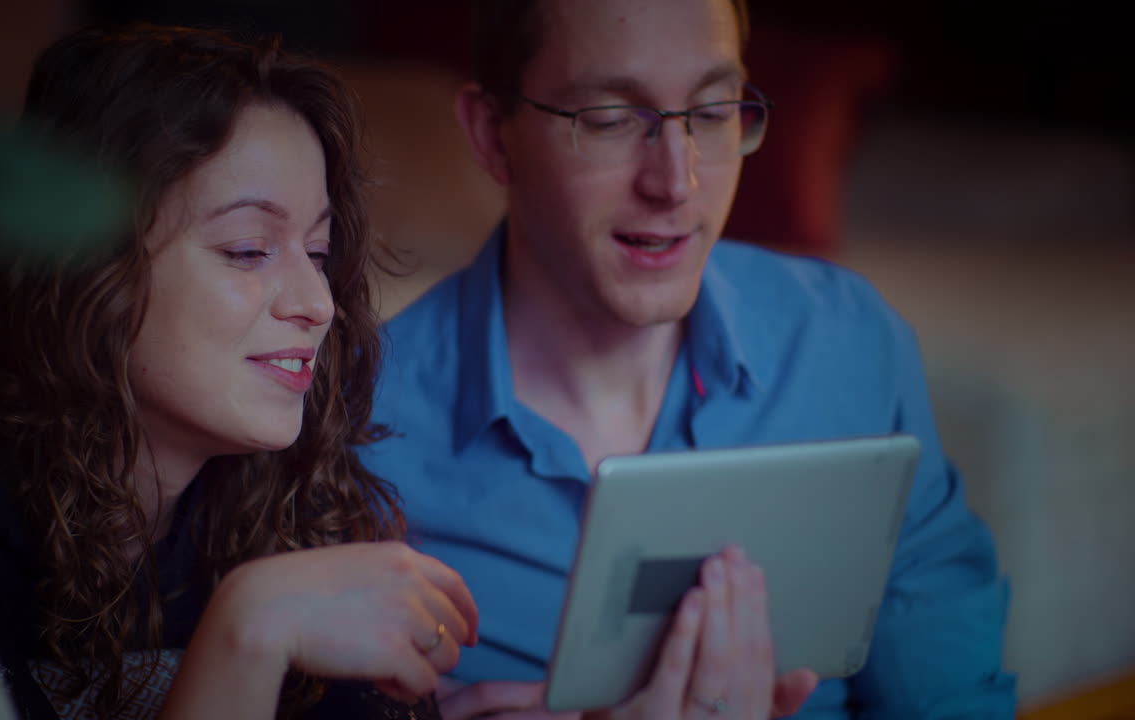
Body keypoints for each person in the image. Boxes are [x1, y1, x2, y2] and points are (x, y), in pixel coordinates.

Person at [358, 0, 1018, 717]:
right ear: (492, 135)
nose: (677, 183)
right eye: (610, 119)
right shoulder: (357, 424)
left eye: (712, 112)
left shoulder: (848, 344)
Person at [0, 24, 484, 720]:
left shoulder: (300, 500)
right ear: (83, 263)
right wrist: (247, 636)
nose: (318, 303)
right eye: (248, 250)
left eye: (318, 252)